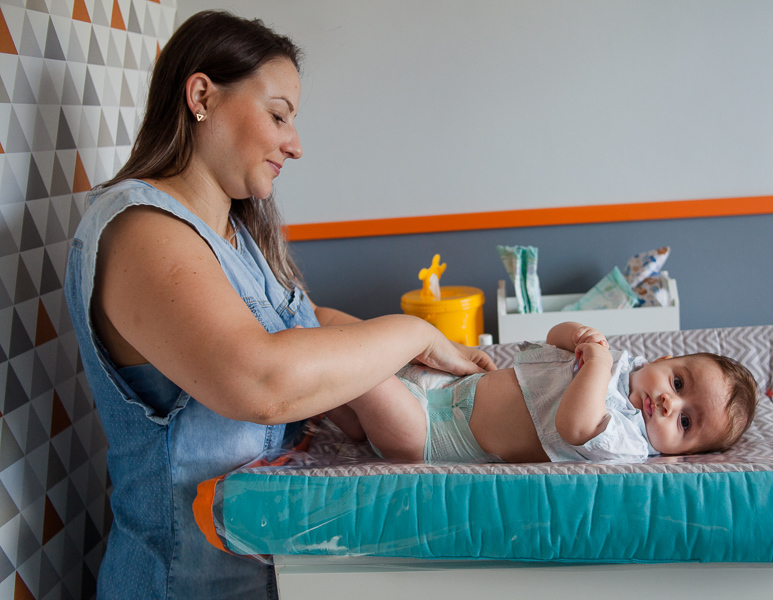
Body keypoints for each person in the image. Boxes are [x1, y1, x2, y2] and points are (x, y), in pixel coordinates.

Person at [64, 10, 494, 600]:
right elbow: (263, 381)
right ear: (201, 96)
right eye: (278, 116)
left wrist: (440, 374)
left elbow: (312, 328)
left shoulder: (235, 235)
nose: (294, 145)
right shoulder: (142, 231)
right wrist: (414, 332)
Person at [333, 321, 758, 462]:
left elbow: (573, 424)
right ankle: (337, 406)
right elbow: (554, 338)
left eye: (685, 421)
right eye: (679, 383)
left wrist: (596, 362)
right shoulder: (619, 362)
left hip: (433, 434)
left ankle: (311, 359)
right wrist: (581, 336)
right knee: (366, 346)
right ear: (664, 361)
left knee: (364, 373)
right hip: (448, 386)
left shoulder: (624, 440)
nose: (670, 401)